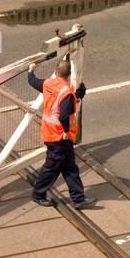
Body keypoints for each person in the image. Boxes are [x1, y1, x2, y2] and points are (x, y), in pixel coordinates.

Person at [27, 54, 94, 208]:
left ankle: (78, 198)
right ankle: (38, 194)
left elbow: (32, 81)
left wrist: (31, 71)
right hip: (60, 137)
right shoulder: (67, 94)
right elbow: (64, 115)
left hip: (49, 132)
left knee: (69, 166)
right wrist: (66, 132)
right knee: (52, 167)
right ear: (69, 75)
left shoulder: (48, 83)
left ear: (56, 72)